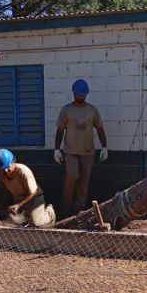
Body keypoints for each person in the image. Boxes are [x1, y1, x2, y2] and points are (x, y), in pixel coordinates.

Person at [54, 79, 108, 217]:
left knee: (84, 181)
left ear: (86, 95)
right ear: (73, 93)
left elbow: (100, 128)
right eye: (78, 94)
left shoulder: (92, 110)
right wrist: (56, 149)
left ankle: (78, 210)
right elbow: (60, 130)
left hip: (88, 151)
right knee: (72, 176)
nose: (80, 97)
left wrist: (104, 147)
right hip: (70, 151)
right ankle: (65, 209)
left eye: (82, 95)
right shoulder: (66, 110)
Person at [0, 149, 55, 227]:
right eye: (3, 168)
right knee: (10, 223)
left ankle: (50, 212)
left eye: (7, 166)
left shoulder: (24, 171)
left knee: (36, 224)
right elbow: (6, 191)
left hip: (34, 199)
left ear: (14, 161)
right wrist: (6, 205)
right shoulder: (0, 173)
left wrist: (19, 205)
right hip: (19, 201)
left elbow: (34, 192)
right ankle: (26, 217)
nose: (6, 170)